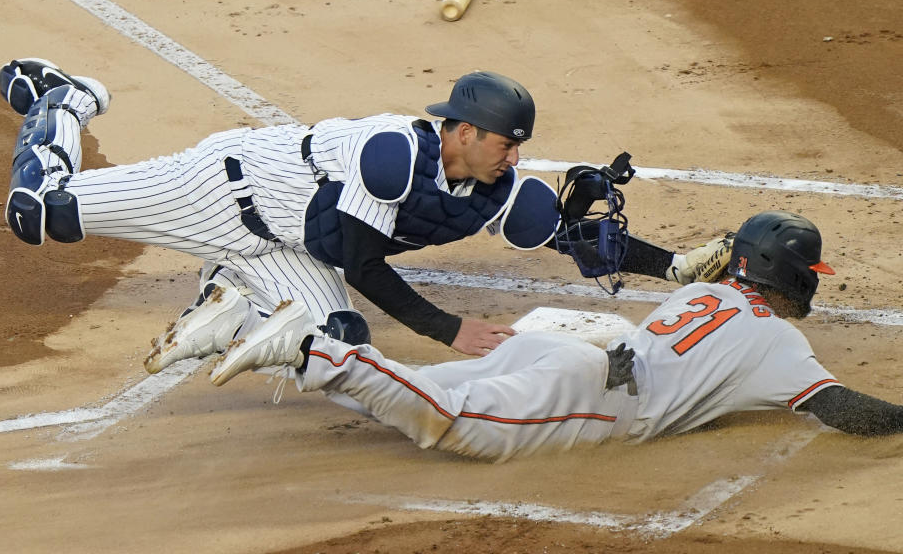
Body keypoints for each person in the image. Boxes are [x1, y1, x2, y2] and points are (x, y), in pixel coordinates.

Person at [0, 58, 722, 375]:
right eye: (507, 143)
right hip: (216, 190)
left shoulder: (494, 185)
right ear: (463, 132)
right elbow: (362, 263)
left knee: (338, 342)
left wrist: (674, 266)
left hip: (286, 248)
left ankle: (228, 294)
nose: (515, 157)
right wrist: (447, 329)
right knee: (37, 215)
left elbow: (576, 238)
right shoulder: (389, 154)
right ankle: (58, 100)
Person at [205, 210, 903, 463]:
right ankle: (307, 347)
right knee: (451, 424)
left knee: (398, 394)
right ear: (795, 277)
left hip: (567, 351)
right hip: (596, 391)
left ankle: (247, 326)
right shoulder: (780, 346)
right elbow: (840, 408)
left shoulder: (701, 290)